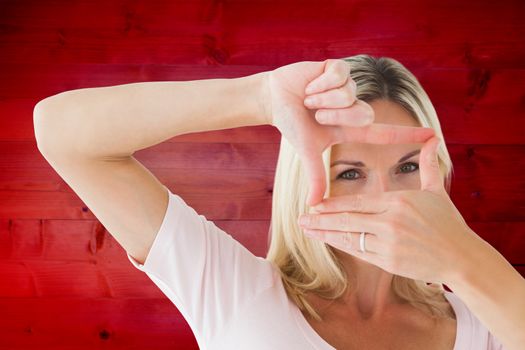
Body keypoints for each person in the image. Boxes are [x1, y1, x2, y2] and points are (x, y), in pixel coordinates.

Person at [33, 55, 524, 349]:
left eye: (408, 167)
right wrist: (260, 96)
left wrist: (464, 261)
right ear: (306, 182)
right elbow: (60, 132)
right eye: (350, 172)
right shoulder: (234, 290)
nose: (387, 199)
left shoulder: (488, 320)